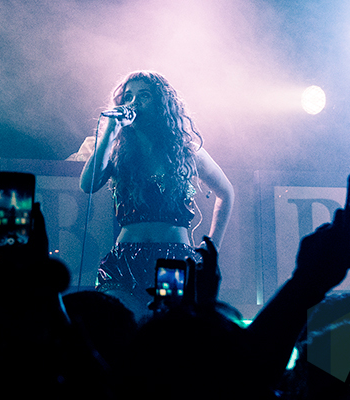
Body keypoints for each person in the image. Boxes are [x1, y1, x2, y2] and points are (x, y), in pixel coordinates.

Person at [80, 70, 235, 319]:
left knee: (165, 333)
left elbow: (226, 193)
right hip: (123, 260)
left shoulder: (186, 150)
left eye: (144, 95)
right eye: (128, 96)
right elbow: (87, 185)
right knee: (121, 329)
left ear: (161, 103)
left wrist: (212, 249)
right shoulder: (117, 150)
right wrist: (109, 132)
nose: (134, 102)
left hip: (173, 259)